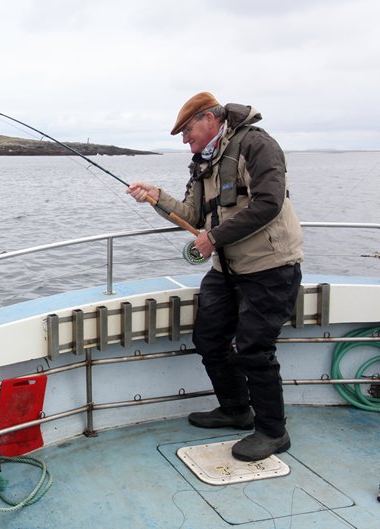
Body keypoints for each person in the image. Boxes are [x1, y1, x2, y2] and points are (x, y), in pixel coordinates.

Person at [127, 92, 303, 461]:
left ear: (209, 119)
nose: (184, 139)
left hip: (269, 268)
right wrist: (157, 196)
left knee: (255, 349)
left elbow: (269, 203)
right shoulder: (202, 163)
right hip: (226, 270)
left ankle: (273, 431)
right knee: (209, 339)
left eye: (186, 130)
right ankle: (236, 409)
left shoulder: (256, 144)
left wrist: (215, 237)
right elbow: (192, 215)